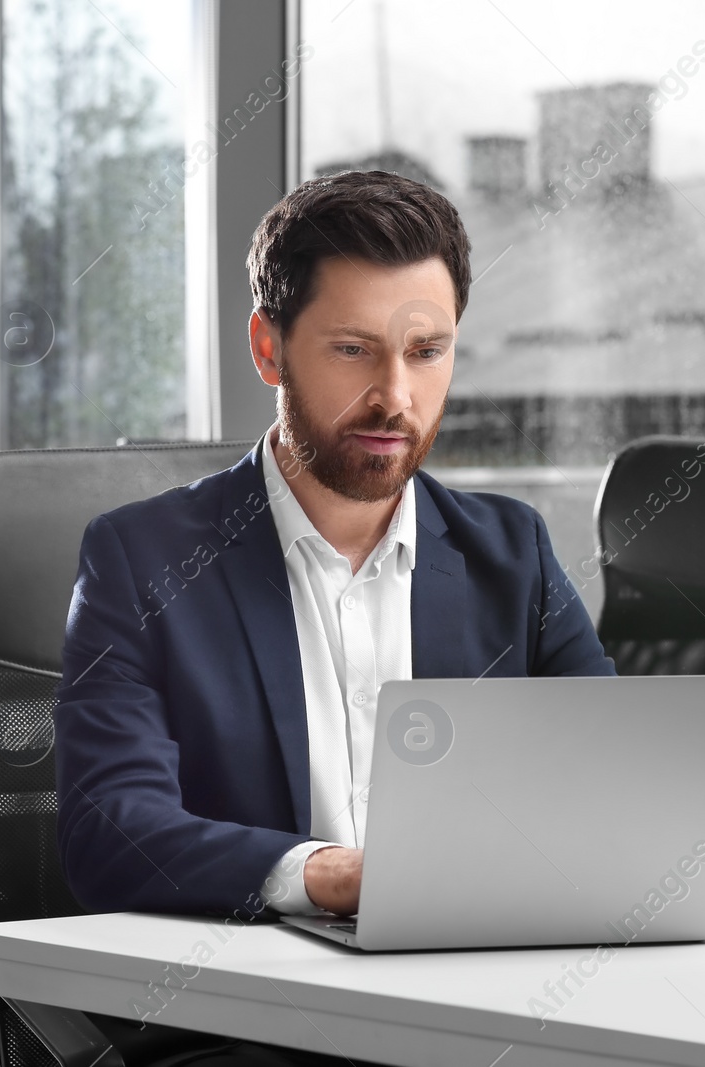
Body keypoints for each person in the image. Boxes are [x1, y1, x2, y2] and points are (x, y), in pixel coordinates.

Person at [55, 169, 615, 930]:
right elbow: (112, 832)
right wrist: (324, 874)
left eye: (426, 352)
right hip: (255, 1015)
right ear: (268, 348)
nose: (395, 396)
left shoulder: (514, 554)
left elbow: (615, 787)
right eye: (354, 350)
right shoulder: (141, 561)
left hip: (481, 990)